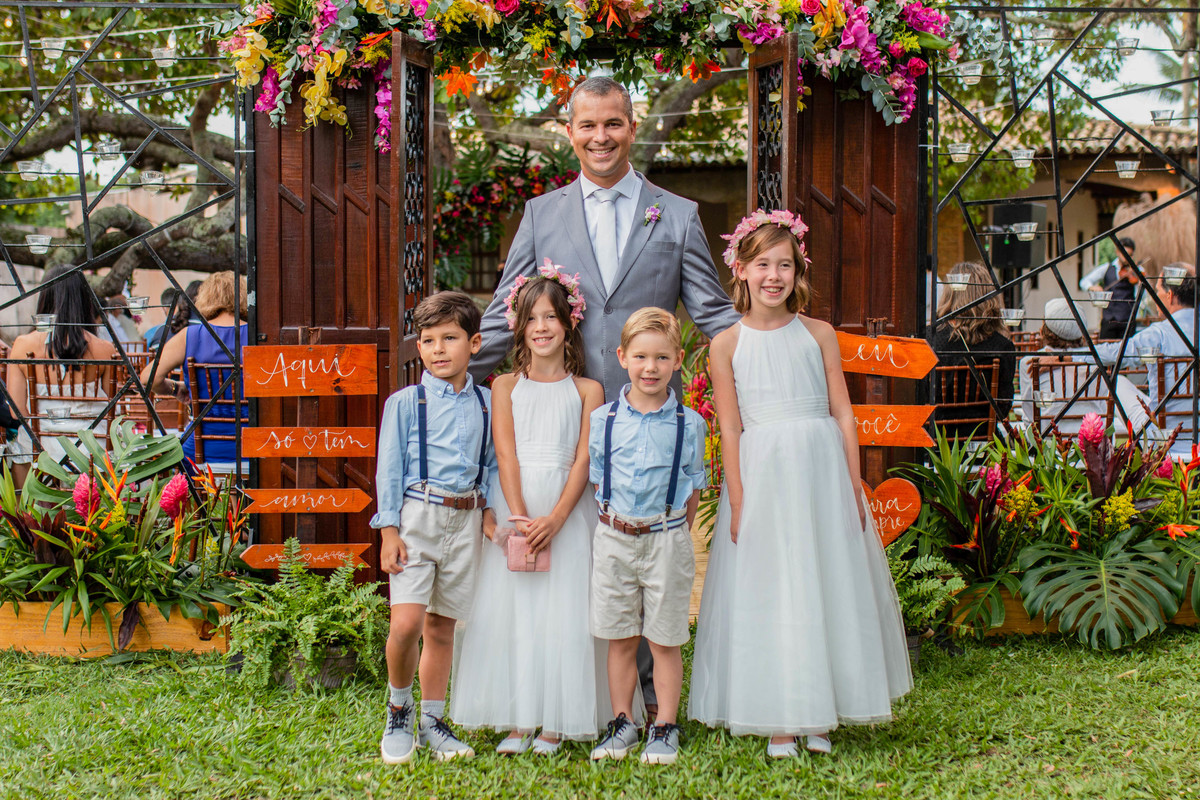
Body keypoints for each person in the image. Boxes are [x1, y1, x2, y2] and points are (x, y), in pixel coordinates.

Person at [471, 75, 739, 716]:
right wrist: (445, 370)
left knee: (641, 548)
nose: (601, 137)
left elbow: (714, 313)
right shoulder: (542, 213)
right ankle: (572, 697)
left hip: (643, 420)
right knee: (576, 559)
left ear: (632, 125)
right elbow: (509, 310)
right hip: (561, 413)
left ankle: (648, 701)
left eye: (613, 124)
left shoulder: (675, 214)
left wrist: (775, 355)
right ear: (569, 131)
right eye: (587, 125)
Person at [688, 210, 912, 758]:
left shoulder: (818, 333)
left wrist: (852, 481)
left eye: (784, 264)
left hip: (818, 470)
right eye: (762, 264)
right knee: (773, 587)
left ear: (798, 272)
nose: (773, 275)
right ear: (739, 270)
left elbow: (841, 412)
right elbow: (731, 427)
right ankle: (780, 717)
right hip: (764, 472)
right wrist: (738, 499)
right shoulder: (727, 345)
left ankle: (820, 712)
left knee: (823, 582)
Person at [452, 263, 609, 754]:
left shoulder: (588, 390)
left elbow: (585, 458)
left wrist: (557, 518)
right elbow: (505, 453)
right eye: (532, 317)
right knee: (514, 613)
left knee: (563, 612)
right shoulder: (503, 387)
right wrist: (519, 518)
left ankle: (556, 720)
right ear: (519, 326)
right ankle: (519, 718)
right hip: (516, 506)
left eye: (551, 317)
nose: (541, 327)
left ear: (568, 325)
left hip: (566, 512)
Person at [372, 291, 498, 765]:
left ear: (475, 343)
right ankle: (399, 708)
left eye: (450, 338)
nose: (439, 348)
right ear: (418, 347)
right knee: (406, 623)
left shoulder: (488, 403)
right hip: (416, 519)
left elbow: (491, 464)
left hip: (464, 521)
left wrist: (487, 509)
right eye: (428, 340)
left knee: (442, 627)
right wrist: (388, 530)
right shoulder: (406, 403)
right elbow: (388, 469)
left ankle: (432, 718)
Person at [587, 308, 706, 766]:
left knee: (664, 639)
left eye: (661, 357)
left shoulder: (690, 424)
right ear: (622, 357)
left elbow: (694, 487)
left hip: (667, 538)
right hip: (614, 537)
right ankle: (624, 724)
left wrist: (672, 534)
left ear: (678, 360)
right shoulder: (603, 420)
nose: (650, 367)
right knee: (619, 636)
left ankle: (665, 725)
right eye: (640, 356)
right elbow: (599, 478)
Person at [5, 265, 117, 484]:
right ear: (85, 300)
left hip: (40, 451)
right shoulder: (105, 349)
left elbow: (16, 411)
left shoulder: (22, 345)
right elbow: (113, 408)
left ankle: (33, 512)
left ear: (45, 298)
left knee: (18, 447)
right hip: (92, 450)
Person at [139, 272, 248, 463]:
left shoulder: (189, 335)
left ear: (205, 297)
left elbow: (148, 379)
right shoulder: (259, 335)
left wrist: (175, 388)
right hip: (254, 448)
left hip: (201, 448)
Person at [1094, 263, 1198, 453]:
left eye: (1157, 291)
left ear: (1170, 296)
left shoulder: (1159, 334)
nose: (1153, 298)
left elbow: (1113, 354)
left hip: (1163, 437)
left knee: (1117, 383)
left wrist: (1069, 352)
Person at [1017, 298, 1148, 435]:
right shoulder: (1099, 360)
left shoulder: (1029, 362)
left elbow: (1029, 418)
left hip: (1050, 446)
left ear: (1045, 328)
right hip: (1096, 445)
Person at [928, 261, 1017, 440]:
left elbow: (919, 398)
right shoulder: (1002, 346)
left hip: (935, 444)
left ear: (949, 294)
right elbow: (1002, 408)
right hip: (984, 444)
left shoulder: (930, 340)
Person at [1078, 237, 1139, 340]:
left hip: (1128, 320)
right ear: (1118, 252)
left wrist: (1139, 280)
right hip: (1109, 320)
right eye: (1124, 254)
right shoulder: (1106, 268)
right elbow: (1084, 282)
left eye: (1129, 255)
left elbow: (1142, 294)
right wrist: (1092, 287)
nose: (1126, 258)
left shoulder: (1136, 271)